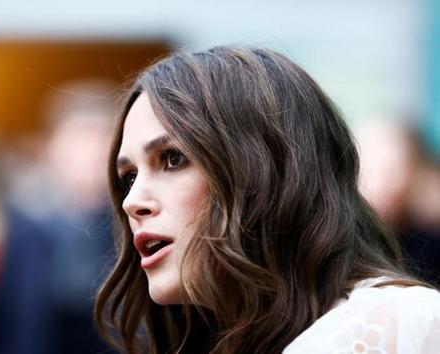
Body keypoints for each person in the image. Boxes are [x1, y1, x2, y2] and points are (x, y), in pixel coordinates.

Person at [94, 46, 440, 353]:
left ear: (264, 168)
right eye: (129, 177)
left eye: (173, 159)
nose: (132, 201)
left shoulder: (406, 324)